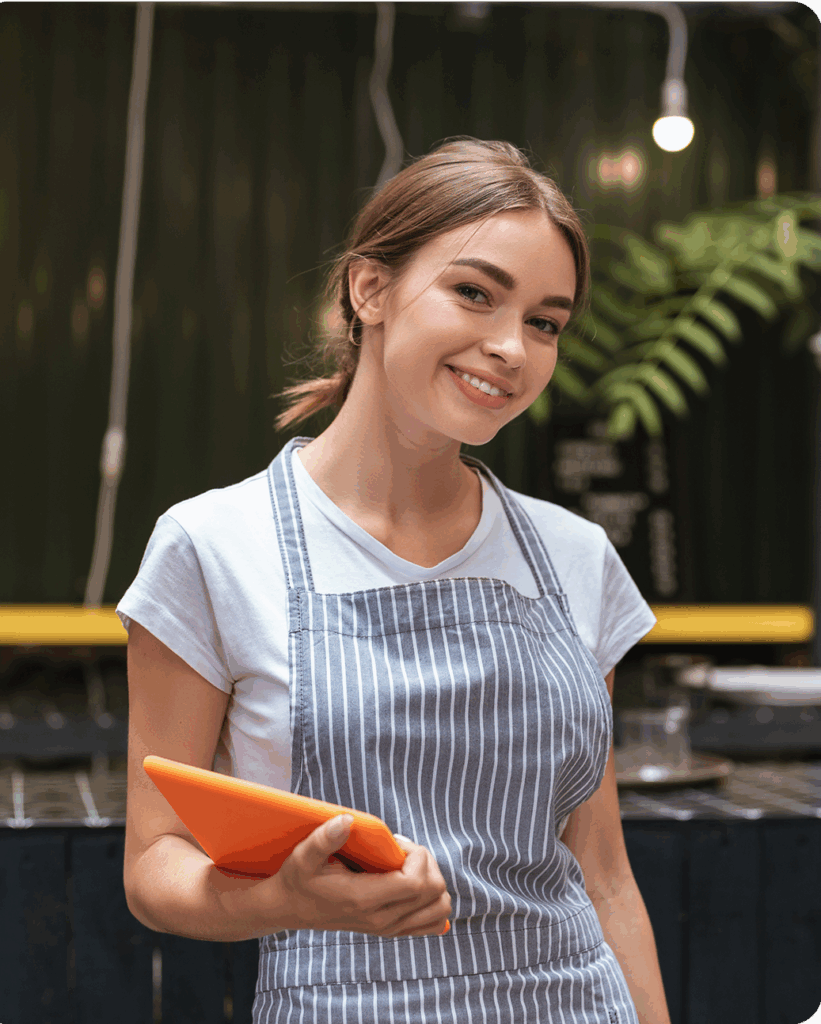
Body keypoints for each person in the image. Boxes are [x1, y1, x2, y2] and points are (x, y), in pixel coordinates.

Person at [119, 137, 671, 1024]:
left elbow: (603, 876)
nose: (511, 347)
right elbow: (154, 864)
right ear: (369, 289)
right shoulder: (212, 547)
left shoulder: (575, 556)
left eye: (544, 323)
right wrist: (282, 900)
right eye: (475, 293)